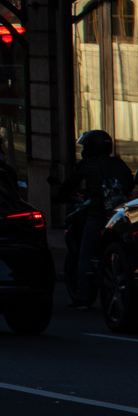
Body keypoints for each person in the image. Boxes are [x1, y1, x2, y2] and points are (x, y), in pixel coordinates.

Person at [58, 129, 135, 306]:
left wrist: (59, 195)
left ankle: (83, 298)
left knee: (84, 256)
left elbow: (69, 184)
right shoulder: (118, 163)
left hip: (98, 215)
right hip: (118, 216)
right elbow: (129, 183)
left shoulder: (87, 164)